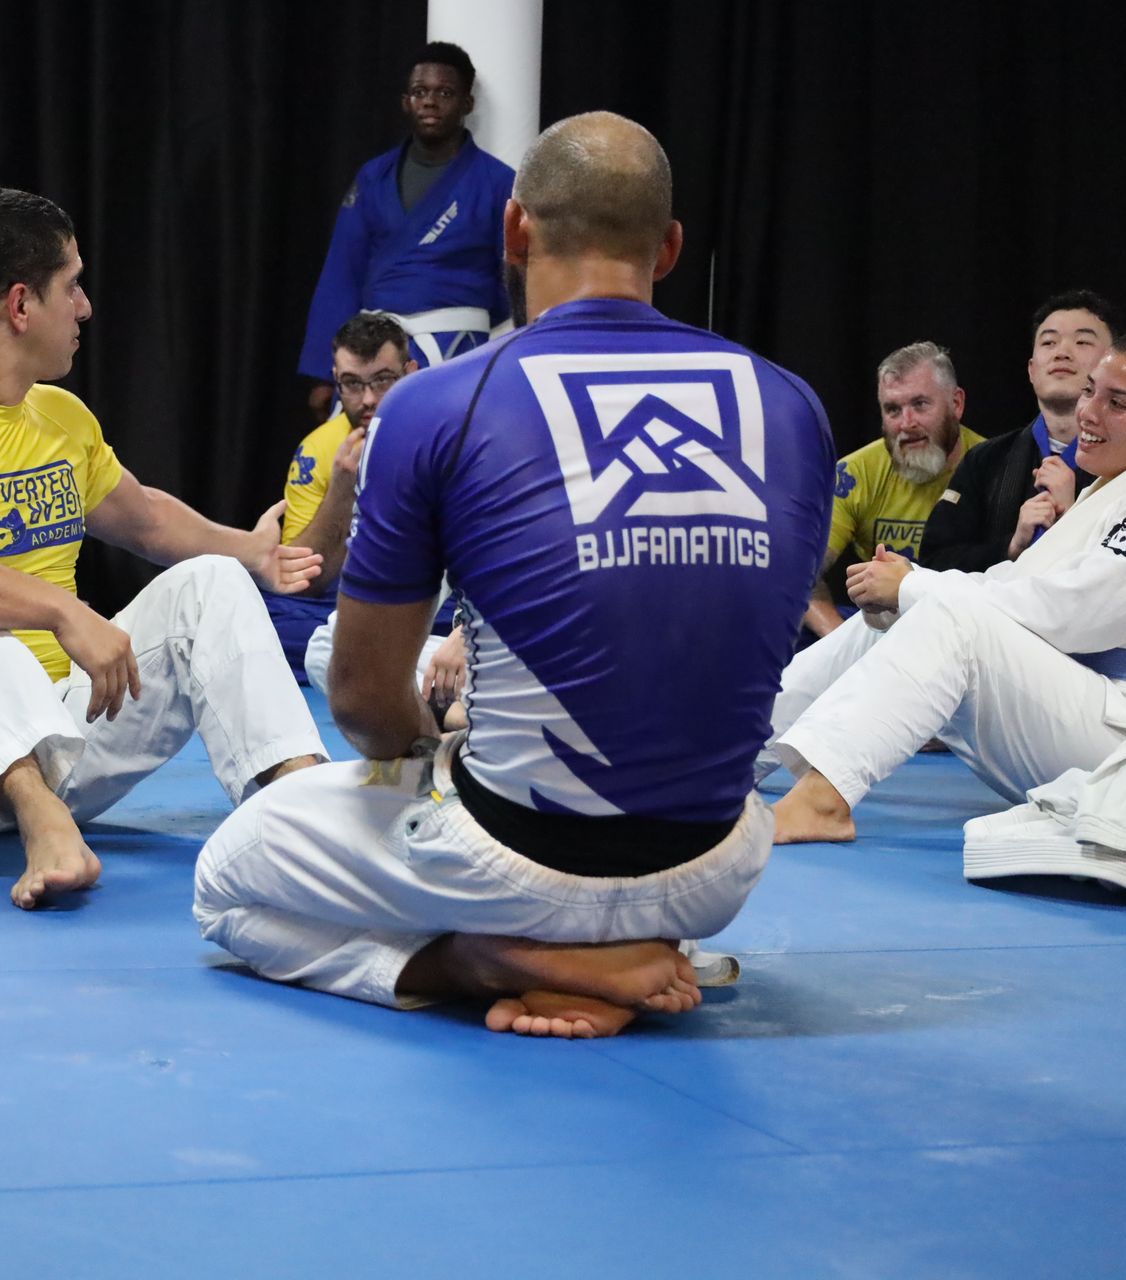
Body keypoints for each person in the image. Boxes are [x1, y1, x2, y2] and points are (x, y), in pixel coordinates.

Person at [195, 112, 835, 1038]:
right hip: (718, 872)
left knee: (227, 885)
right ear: (669, 249)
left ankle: (483, 958)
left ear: (513, 230)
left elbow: (369, 709)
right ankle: (617, 948)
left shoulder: (433, 403)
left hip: (516, 865)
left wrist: (434, 749)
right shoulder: (793, 403)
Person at [0, 188, 329, 910]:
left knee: (212, 581)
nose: (86, 308)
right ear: (21, 305)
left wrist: (250, 552)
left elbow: (146, 519)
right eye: (73, 285)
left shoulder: (60, 415)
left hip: (58, 728)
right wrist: (61, 609)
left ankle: (298, 800)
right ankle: (41, 820)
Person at [771, 330, 1126, 845]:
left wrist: (914, 587)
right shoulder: (1115, 493)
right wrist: (910, 591)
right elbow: (1010, 584)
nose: (1089, 412)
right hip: (1097, 714)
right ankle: (727, 752)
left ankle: (824, 801)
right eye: (1091, 391)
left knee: (948, 617)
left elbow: (1068, 616)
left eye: (1118, 403)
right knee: (914, 613)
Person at [297, 41, 515, 421]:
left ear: (467, 104)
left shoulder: (498, 182)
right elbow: (342, 273)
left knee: (448, 458)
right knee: (360, 462)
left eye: (444, 93)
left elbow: (513, 276)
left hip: (459, 350)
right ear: (405, 101)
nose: (430, 102)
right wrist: (322, 371)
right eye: (420, 92)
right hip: (372, 352)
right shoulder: (373, 177)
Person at [919, 290, 1117, 570]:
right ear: (1031, 370)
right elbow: (934, 562)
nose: (1062, 352)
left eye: (1082, 341)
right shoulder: (985, 460)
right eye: (1048, 342)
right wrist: (1011, 547)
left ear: (1112, 364)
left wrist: (1072, 518)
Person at [268, 311, 414, 679]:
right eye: (352, 383)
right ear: (335, 381)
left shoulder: (446, 432)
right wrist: (343, 489)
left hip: (427, 603)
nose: (367, 400)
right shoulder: (318, 449)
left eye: (382, 381)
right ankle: (398, 663)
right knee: (261, 615)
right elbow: (301, 584)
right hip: (345, 607)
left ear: (410, 373)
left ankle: (371, 658)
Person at [803, 343, 983, 638]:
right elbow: (800, 574)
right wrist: (841, 646)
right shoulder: (854, 474)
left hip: (966, 626)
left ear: (956, 404)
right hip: (878, 626)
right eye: (893, 409)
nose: (906, 423)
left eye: (920, 404)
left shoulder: (997, 466)